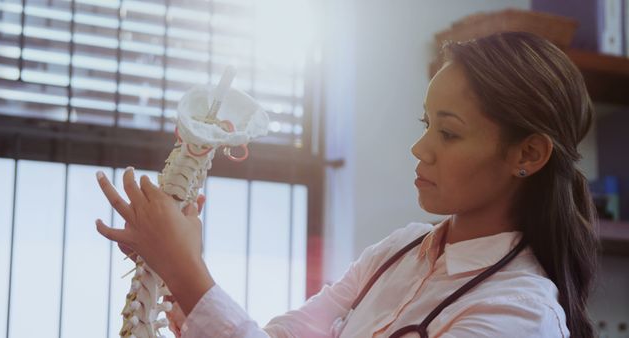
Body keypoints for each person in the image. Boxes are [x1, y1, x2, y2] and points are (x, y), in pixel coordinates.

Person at [95, 32, 598, 338]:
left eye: (448, 132)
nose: (420, 149)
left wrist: (187, 271)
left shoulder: (518, 314)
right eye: (425, 124)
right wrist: (190, 291)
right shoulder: (399, 252)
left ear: (527, 154)